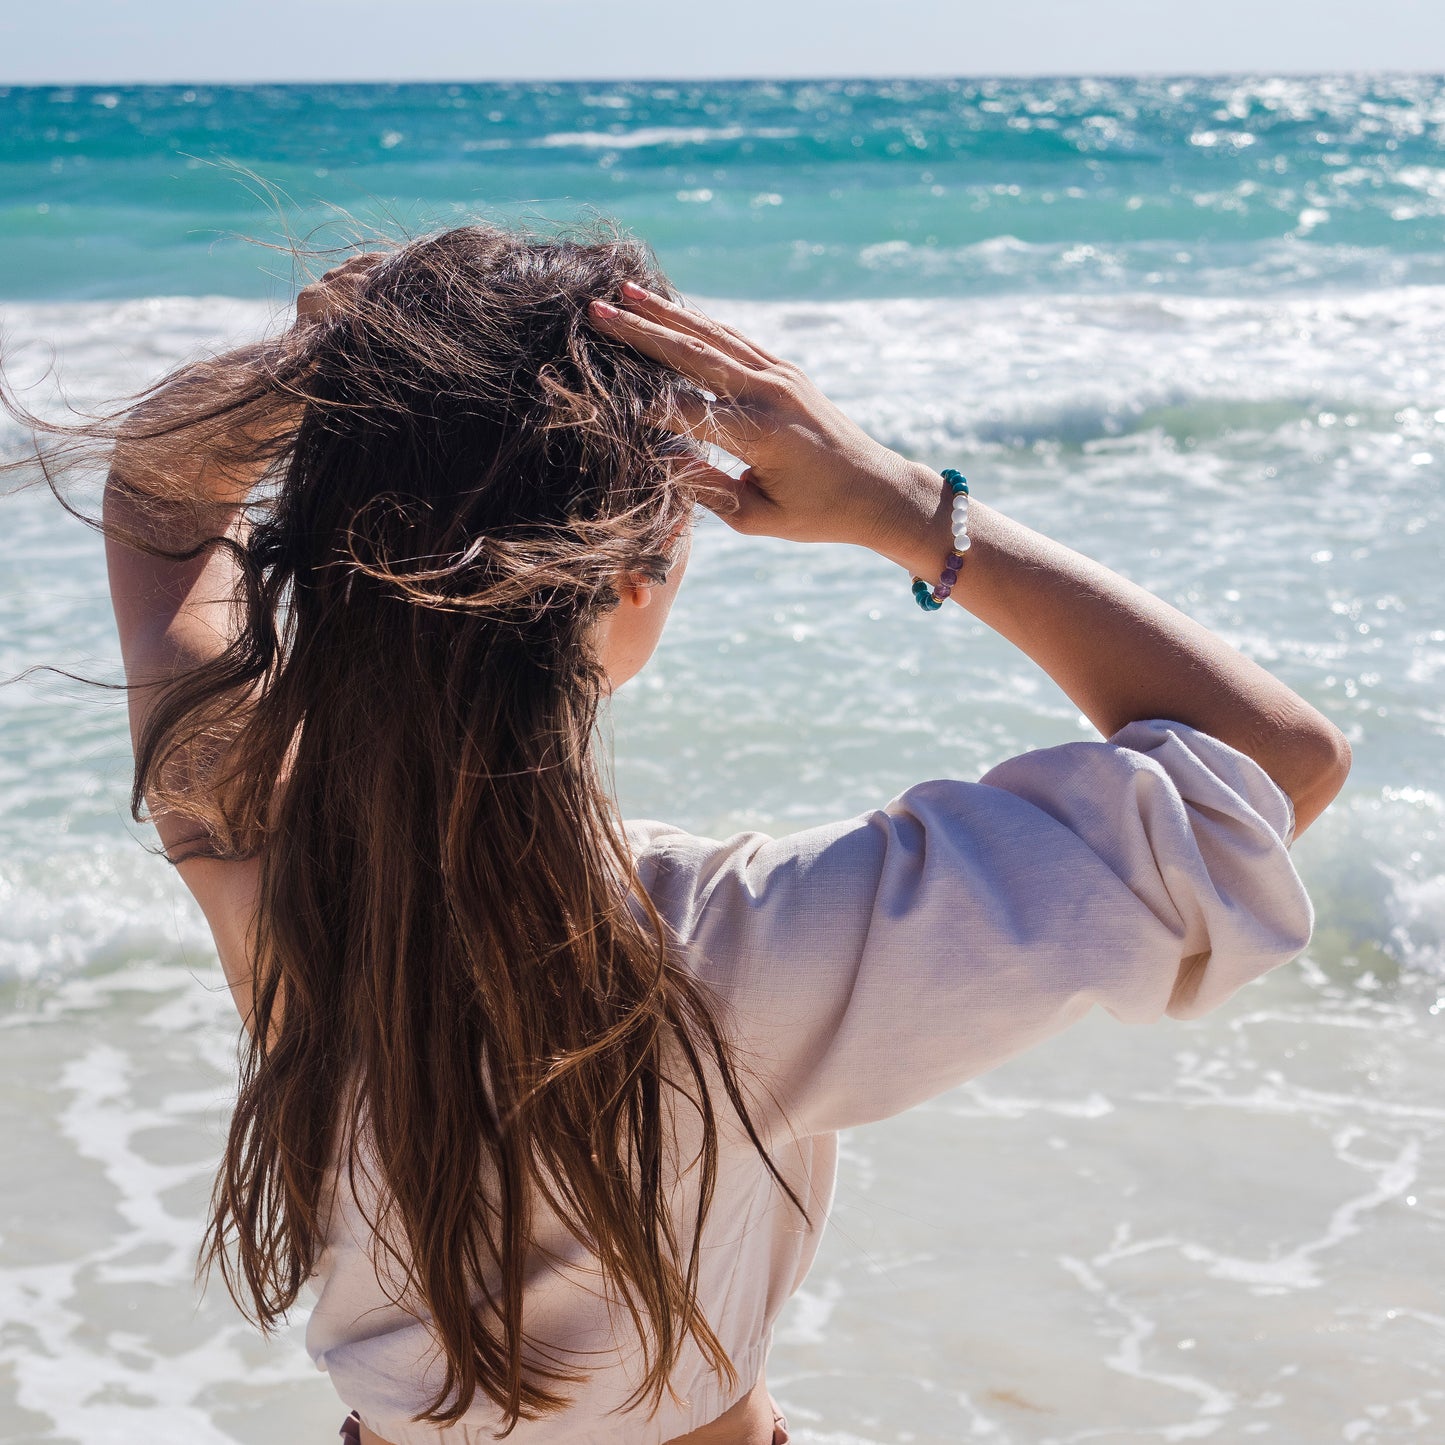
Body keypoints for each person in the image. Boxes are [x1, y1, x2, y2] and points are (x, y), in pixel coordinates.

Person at [87, 224, 1348, 1445]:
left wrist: (312, 374)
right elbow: (1269, 763)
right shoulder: (745, 945)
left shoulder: (275, 858)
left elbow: (157, 494)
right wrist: (906, 506)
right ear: (640, 567)